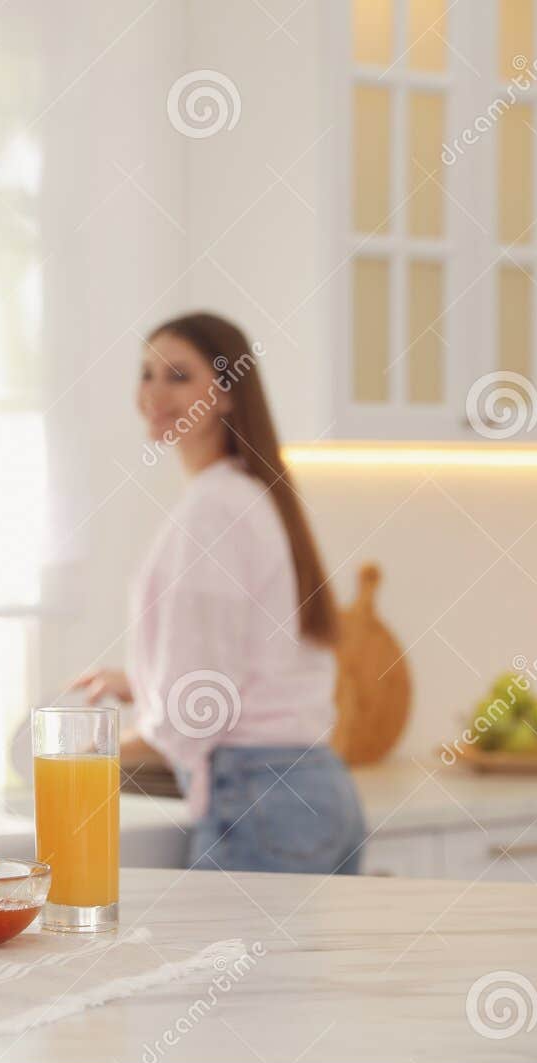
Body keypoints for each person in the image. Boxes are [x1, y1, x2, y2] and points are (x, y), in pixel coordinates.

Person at [73, 312, 366, 875]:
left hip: (259, 797)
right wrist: (141, 684)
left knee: (223, 968)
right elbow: (245, 662)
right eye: (147, 373)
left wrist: (82, 753)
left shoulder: (213, 510)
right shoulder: (248, 494)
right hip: (317, 793)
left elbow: (196, 710)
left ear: (228, 396)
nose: (154, 393)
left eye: (178, 376)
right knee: (290, 968)